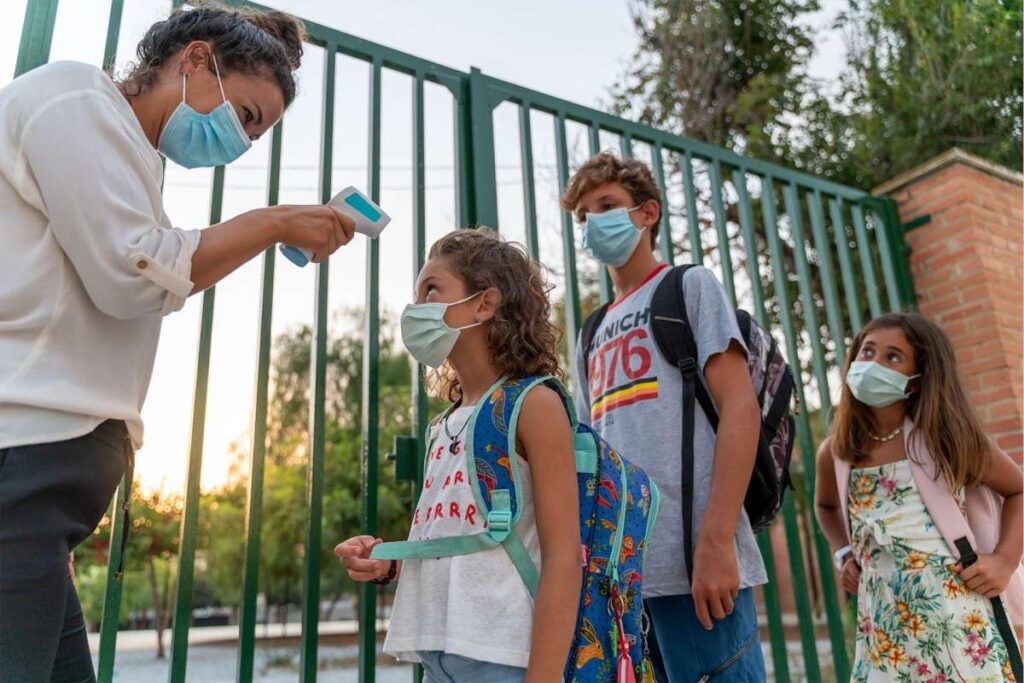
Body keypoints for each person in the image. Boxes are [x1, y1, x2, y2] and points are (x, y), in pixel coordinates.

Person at [0, 4, 356, 681]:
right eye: (246, 115)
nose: (242, 142)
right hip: (21, 459)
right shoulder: (75, 97)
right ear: (194, 59)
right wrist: (273, 223)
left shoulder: (131, 155)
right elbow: (131, 273)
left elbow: (139, 273)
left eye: (256, 133)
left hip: (46, 484)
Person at [335, 229, 581, 682]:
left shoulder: (535, 404)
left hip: (503, 656)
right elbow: (461, 539)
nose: (416, 307)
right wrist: (389, 560)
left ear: (484, 304)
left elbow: (564, 557)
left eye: (431, 290)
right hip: (438, 656)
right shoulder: (442, 425)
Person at [561, 152, 767, 681]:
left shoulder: (688, 285)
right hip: (620, 578)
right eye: (584, 215)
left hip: (698, 565)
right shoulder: (589, 331)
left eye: (607, 205)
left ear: (647, 212)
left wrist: (717, 540)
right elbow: (589, 454)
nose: (594, 222)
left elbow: (740, 406)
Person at [815, 312, 1023, 681]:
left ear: (918, 379)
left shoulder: (948, 439)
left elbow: (1018, 489)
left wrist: (1004, 561)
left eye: (893, 357)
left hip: (955, 617)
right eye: (867, 351)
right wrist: (844, 552)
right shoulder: (837, 452)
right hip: (882, 625)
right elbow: (826, 506)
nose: (874, 364)